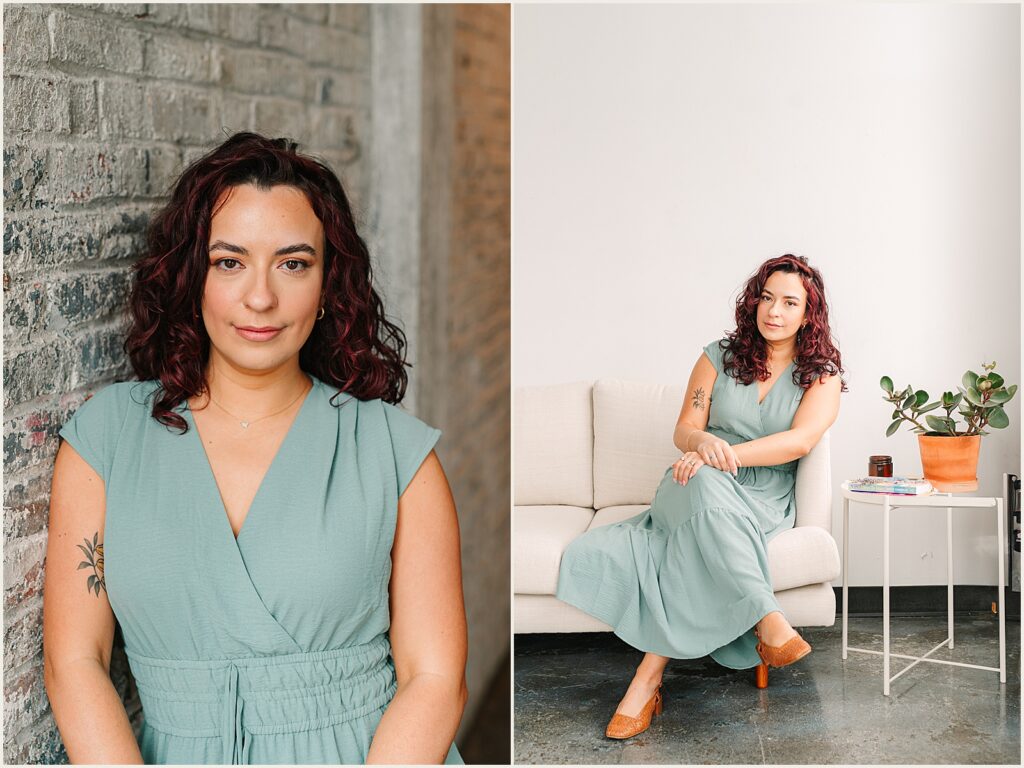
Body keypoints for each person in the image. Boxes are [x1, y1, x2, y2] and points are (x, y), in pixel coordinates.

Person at [42, 132, 467, 764]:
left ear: (328, 284)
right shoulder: (106, 440)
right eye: (229, 262)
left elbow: (435, 679)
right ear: (194, 276)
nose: (260, 297)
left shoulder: (395, 454)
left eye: (293, 263)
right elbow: (74, 661)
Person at [555, 254, 844, 740]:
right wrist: (703, 445)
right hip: (691, 481)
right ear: (754, 301)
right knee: (704, 486)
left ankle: (647, 680)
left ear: (809, 313)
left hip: (762, 495)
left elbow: (798, 443)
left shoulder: (822, 375)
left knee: (694, 541)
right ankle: (766, 616)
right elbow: (685, 428)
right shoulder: (718, 356)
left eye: (789, 302)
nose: (774, 310)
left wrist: (723, 452)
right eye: (767, 297)